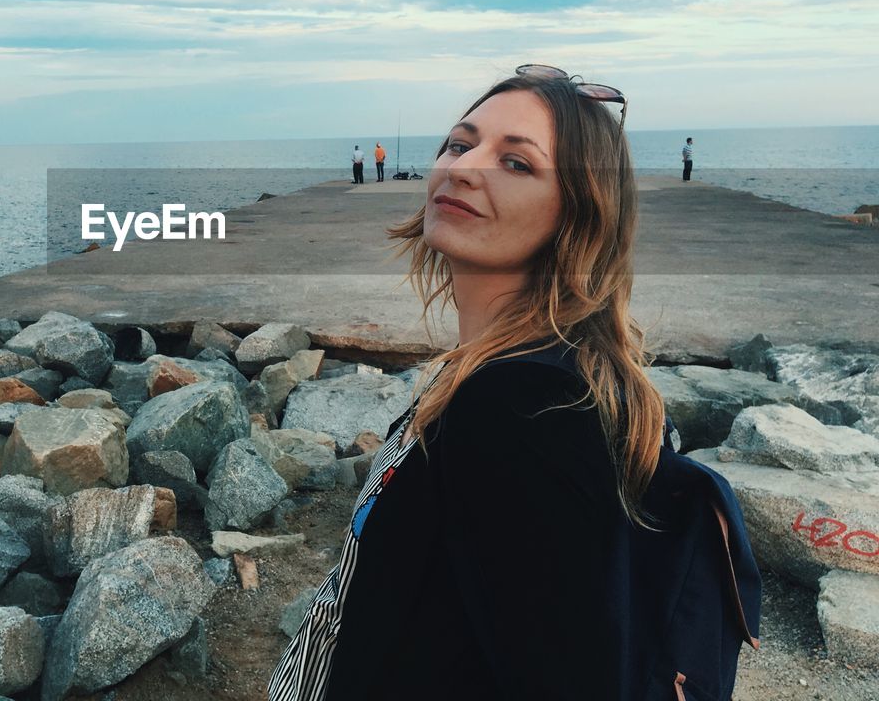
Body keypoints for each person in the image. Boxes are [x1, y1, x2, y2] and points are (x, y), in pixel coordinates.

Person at [269, 65, 758, 701]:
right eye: (459, 143)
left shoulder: (526, 407)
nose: (464, 167)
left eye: (518, 163)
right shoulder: (509, 372)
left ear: (580, 212)